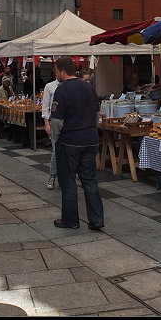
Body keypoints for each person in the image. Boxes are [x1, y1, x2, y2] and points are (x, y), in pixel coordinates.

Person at [49, 56, 104, 231]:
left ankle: (70, 220)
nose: (55, 74)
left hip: (70, 140)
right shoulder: (88, 87)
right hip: (90, 138)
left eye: (56, 71)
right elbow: (96, 113)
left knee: (69, 181)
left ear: (63, 71)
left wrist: (56, 138)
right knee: (89, 180)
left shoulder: (62, 90)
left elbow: (56, 121)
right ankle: (96, 219)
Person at [41, 66, 61, 190]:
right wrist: (47, 123)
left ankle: (65, 177)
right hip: (54, 121)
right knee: (55, 151)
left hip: (67, 122)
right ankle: (52, 176)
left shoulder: (69, 85)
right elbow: (45, 105)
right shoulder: (50, 86)